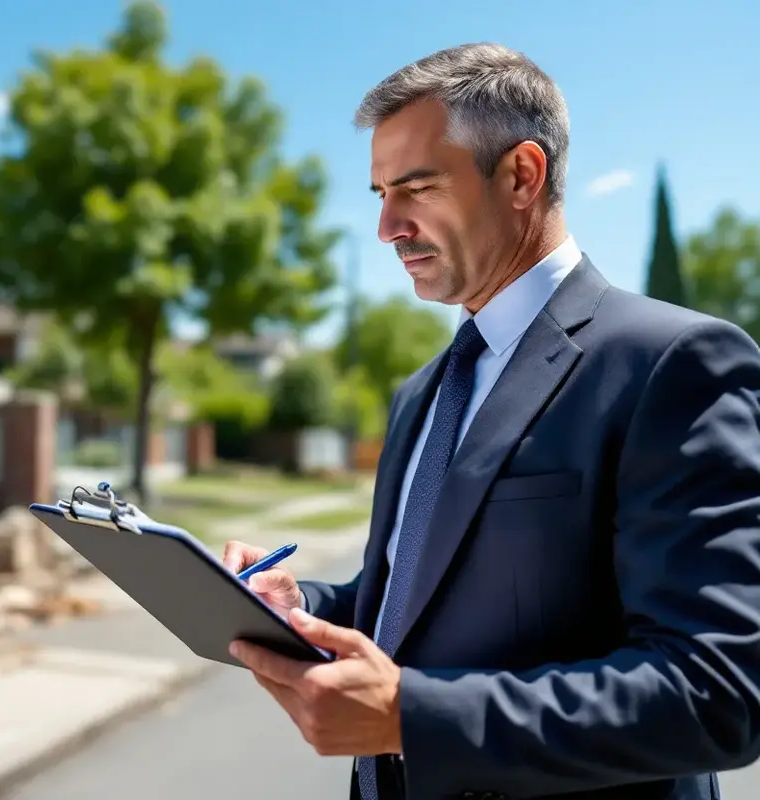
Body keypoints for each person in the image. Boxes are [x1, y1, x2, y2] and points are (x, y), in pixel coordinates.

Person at [223, 42, 760, 800]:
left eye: (416, 187)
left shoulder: (671, 364)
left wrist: (412, 717)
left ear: (521, 176)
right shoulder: (421, 393)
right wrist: (301, 607)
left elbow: (718, 693)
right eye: (380, 193)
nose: (386, 226)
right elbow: (409, 599)